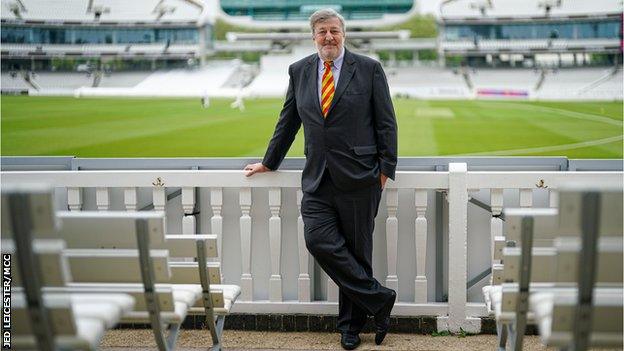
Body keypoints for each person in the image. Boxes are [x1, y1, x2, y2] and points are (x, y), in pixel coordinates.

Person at [244, 8, 397, 350]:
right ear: (313, 36)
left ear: (344, 34)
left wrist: (386, 169)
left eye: (334, 31)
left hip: (360, 179)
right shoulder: (299, 70)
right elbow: (288, 121)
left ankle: (350, 328)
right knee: (318, 240)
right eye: (322, 32)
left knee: (357, 254)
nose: (329, 37)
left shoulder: (369, 69)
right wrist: (269, 162)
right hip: (316, 179)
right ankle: (380, 299)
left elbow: (386, 122)